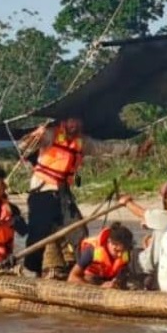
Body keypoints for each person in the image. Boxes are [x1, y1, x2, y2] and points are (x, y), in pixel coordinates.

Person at [21, 117, 146, 277]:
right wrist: (34, 135)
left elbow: (106, 148)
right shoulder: (50, 134)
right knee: (38, 234)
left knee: (79, 231)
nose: (74, 126)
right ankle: (31, 271)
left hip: (63, 193)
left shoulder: (83, 142)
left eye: (77, 122)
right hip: (42, 191)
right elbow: (23, 146)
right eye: (71, 122)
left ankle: (84, 271)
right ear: (63, 122)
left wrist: (135, 150)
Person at [119, 180, 167, 286]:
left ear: (166, 200)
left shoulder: (161, 216)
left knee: (131, 254)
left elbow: (140, 212)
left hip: (155, 267)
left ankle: (131, 282)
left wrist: (127, 202)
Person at [68, 222, 134, 288]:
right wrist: (99, 287)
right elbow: (72, 277)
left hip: (110, 281)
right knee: (90, 278)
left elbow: (124, 274)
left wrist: (117, 282)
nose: (120, 255)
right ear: (109, 241)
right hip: (91, 282)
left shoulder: (125, 254)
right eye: (116, 251)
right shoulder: (91, 251)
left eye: (123, 251)